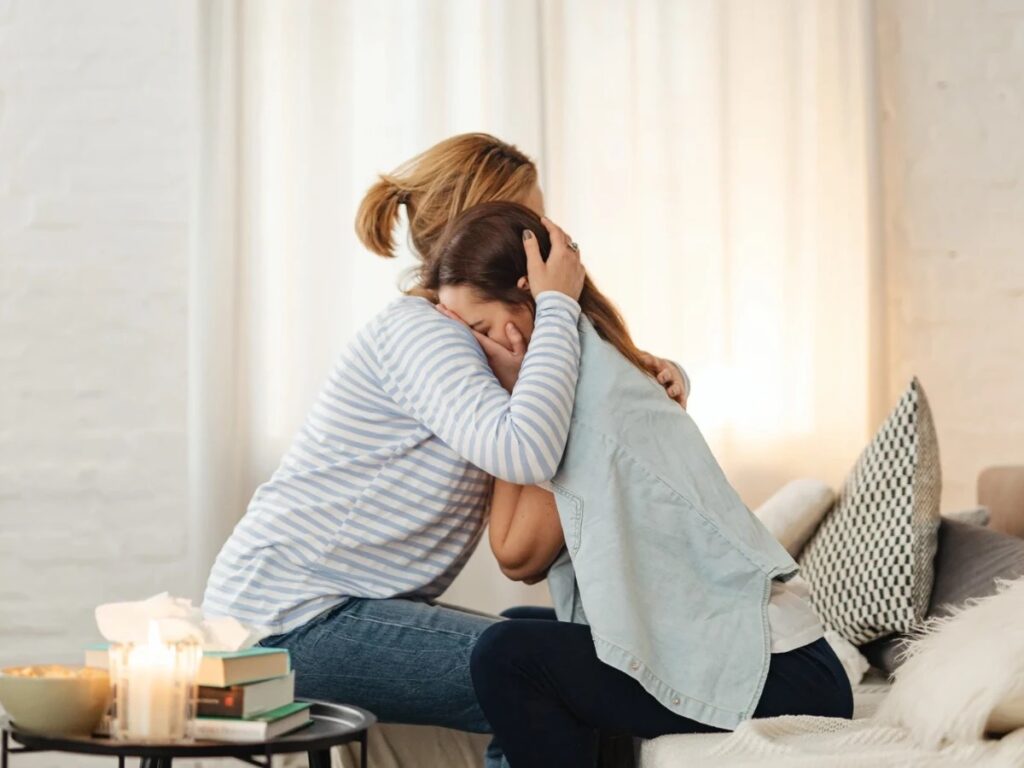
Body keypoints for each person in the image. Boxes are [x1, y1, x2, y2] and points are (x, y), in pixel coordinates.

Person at [200, 134, 688, 751]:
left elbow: (573, 398)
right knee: (538, 677)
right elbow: (527, 450)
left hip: (324, 609)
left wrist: (661, 371)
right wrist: (560, 304)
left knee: (540, 654)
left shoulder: (476, 337)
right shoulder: (424, 334)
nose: (545, 236)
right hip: (285, 620)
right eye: (531, 223)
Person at [426, 201, 854, 767]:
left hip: (784, 674)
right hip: (764, 659)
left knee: (507, 655)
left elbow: (516, 554)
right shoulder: (586, 369)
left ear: (528, 306)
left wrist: (512, 392)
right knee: (518, 627)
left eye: (478, 330)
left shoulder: (585, 395)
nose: (471, 353)